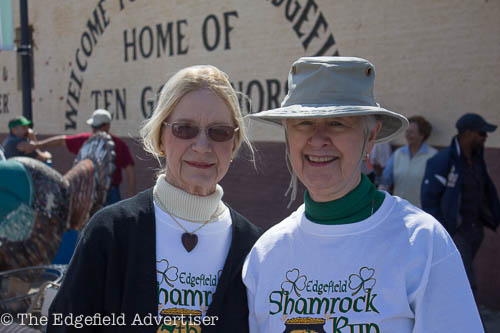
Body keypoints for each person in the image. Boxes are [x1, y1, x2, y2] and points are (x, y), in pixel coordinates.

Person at [242, 57, 482, 332]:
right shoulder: (266, 253)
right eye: (304, 122)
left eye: (337, 123)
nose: (318, 139)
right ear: (288, 135)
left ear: (371, 136)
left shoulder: (422, 242)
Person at [47, 65, 262, 332]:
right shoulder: (110, 233)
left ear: (234, 143)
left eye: (219, 132)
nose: (202, 146)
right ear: (161, 136)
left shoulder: (254, 248)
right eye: (185, 129)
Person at [421, 113, 500, 300]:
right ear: (467, 134)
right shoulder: (443, 160)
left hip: (475, 231)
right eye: (481, 133)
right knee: (467, 282)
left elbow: (486, 191)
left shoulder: (477, 160)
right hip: (456, 233)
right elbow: (429, 200)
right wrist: (444, 231)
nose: (485, 137)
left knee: (455, 278)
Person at [20, 109, 136, 204]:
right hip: (87, 193)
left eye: (97, 127)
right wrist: (37, 145)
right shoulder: (87, 141)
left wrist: (132, 196)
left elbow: (129, 170)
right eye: (93, 127)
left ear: (107, 126)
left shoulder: (119, 145)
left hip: (111, 192)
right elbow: (62, 141)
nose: (94, 130)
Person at [379, 115, 437, 208]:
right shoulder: (398, 153)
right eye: (407, 131)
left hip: (421, 210)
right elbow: (386, 180)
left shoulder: (432, 155)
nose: (407, 135)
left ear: (422, 135)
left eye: (412, 132)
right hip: (398, 208)